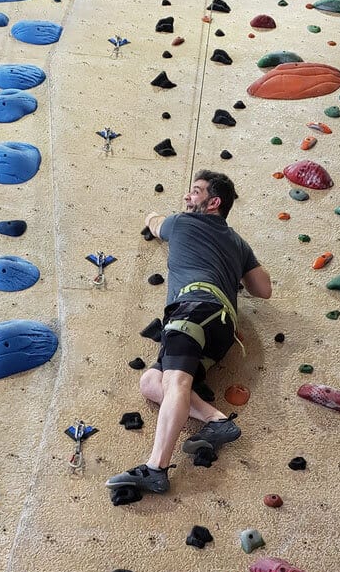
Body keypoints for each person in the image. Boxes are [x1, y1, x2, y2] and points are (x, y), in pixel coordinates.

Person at [106, 170, 272, 496]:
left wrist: (154, 216)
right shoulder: (239, 243)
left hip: (192, 308)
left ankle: (156, 468)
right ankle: (217, 421)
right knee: (152, 382)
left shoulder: (182, 223)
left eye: (195, 192)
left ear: (214, 202)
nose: (187, 197)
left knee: (176, 382)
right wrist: (232, 266)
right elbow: (263, 289)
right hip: (222, 327)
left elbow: (154, 223)